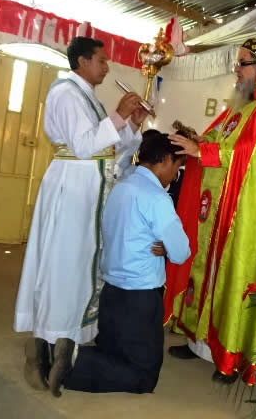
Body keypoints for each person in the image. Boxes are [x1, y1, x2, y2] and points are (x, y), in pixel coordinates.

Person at [14, 37, 148, 391]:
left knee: (80, 264)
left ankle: (67, 340)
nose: (107, 66)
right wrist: (118, 115)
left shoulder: (88, 96)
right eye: (101, 60)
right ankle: (48, 342)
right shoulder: (65, 92)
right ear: (82, 61)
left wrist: (132, 125)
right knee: (63, 264)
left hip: (89, 191)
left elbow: (109, 147)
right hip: (72, 189)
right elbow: (85, 145)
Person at [164, 38, 256, 384]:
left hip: (245, 212)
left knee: (232, 277)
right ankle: (197, 342)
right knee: (204, 272)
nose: (236, 70)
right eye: (236, 63)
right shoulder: (244, 101)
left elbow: (255, 153)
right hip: (216, 206)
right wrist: (198, 142)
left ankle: (233, 356)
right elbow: (222, 139)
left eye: (242, 63)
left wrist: (203, 152)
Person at [51, 130, 189, 396]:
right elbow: (181, 252)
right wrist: (168, 248)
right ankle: (70, 359)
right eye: (176, 166)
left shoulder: (121, 187)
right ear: (164, 160)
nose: (175, 175)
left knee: (112, 353)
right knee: (143, 376)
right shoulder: (157, 198)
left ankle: (54, 356)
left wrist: (164, 245)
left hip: (112, 294)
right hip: (139, 298)